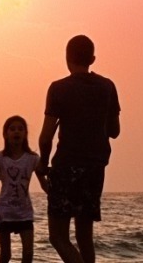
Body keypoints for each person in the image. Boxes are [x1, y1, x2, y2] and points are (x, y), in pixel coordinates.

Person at [39, 35, 122, 263]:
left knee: (58, 237)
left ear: (67, 58)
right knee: (84, 236)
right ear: (92, 59)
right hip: (95, 169)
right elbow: (114, 131)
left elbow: (46, 137)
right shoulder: (108, 87)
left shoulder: (58, 89)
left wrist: (43, 164)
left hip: (66, 166)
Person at [0, 116, 46, 263]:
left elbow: (44, 183)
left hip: (24, 211)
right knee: (6, 255)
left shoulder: (33, 158)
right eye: (12, 129)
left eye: (20, 129)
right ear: (5, 134)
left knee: (28, 253)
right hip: (4, 211)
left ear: (25, 134)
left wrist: (56, 196)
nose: (16, 132)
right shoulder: (0, 158)